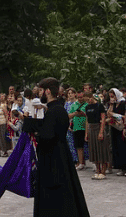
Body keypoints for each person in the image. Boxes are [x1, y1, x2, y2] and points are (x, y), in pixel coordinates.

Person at [20, 77, 91, 217]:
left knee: (56, 194)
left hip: (53, 159)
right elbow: (46, 126)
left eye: (40, 90)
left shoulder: (55, 110)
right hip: (58, 156)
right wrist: (29, 123)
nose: (39, 94)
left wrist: (34, 130)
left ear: (47, 91)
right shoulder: (56, 109)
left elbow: (48, 134)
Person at [84, 91, 111, 179]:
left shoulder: (99, 106)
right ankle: (97, 169)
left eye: (89, 99)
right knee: (94, 149)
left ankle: (103, 170)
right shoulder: (87, 107)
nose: (88, 101)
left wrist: (101, 131)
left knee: (101, 149)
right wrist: (86, 133)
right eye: (87, 100)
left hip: (98, 126)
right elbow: (87, 120)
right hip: (91, 128)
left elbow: (103, 119)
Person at [108, 88, 126, 176]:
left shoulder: (123, 103)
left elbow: (124, 115)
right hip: (115, 128)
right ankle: (121, 167)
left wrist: (114, 115)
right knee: (116, 147)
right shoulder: (114, 104)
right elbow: (109, 113)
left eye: (113, 96)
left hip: (122, 128)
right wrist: (111, 104)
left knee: (124, 147)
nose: (112, 97)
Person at [69, 92, 88, 170]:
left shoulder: (87, 104)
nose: (80, 99)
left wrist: (83, 114)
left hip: (86, 127)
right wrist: (76, 113)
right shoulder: (74, 105)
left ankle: (92, 162)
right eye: (79, 97)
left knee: (88, 146)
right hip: (77, 128)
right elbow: (69, 115)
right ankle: (81, 163)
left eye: (82, 97)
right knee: (79, 146)